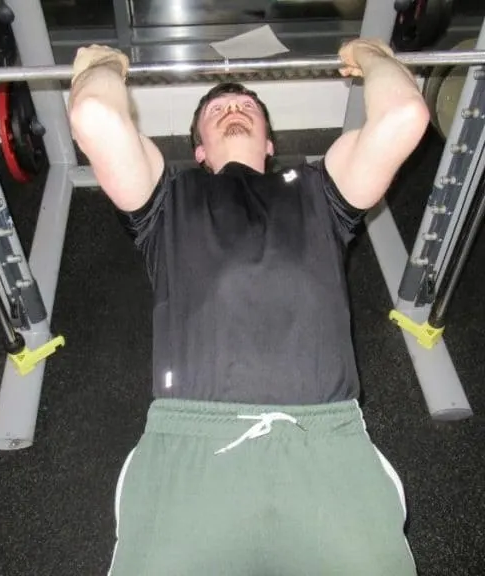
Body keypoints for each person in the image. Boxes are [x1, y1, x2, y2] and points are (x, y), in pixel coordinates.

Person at [68, 38, 429, 575]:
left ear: (269, 143)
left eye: (246, 108)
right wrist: (105, 63)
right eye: (217, 110)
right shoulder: (164, 201)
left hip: (325, 447)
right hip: (192, 454)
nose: (233, 110)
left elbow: (403, 114)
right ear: (198, 150)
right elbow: (95, 114)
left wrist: (371, 55)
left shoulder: (320, 192)